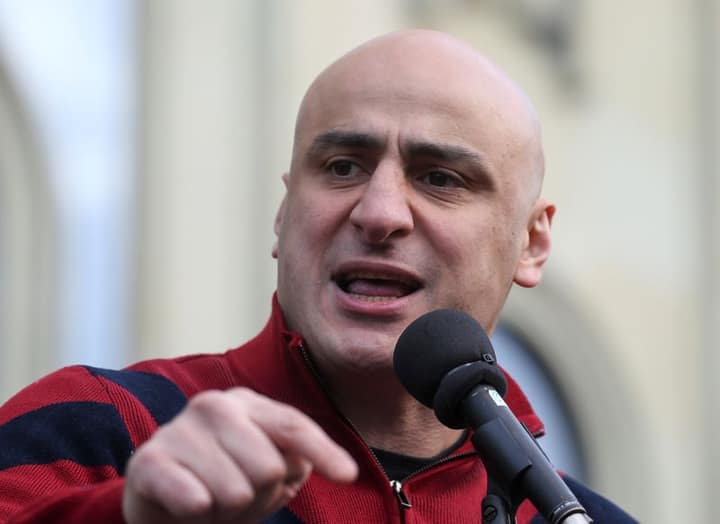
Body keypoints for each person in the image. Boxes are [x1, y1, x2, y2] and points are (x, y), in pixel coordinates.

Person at [0, 30, 636, 523]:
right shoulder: (101, 429)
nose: (379, 213)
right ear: (284, 214)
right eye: (342, 167)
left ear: (531, 243)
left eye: (440, 178)